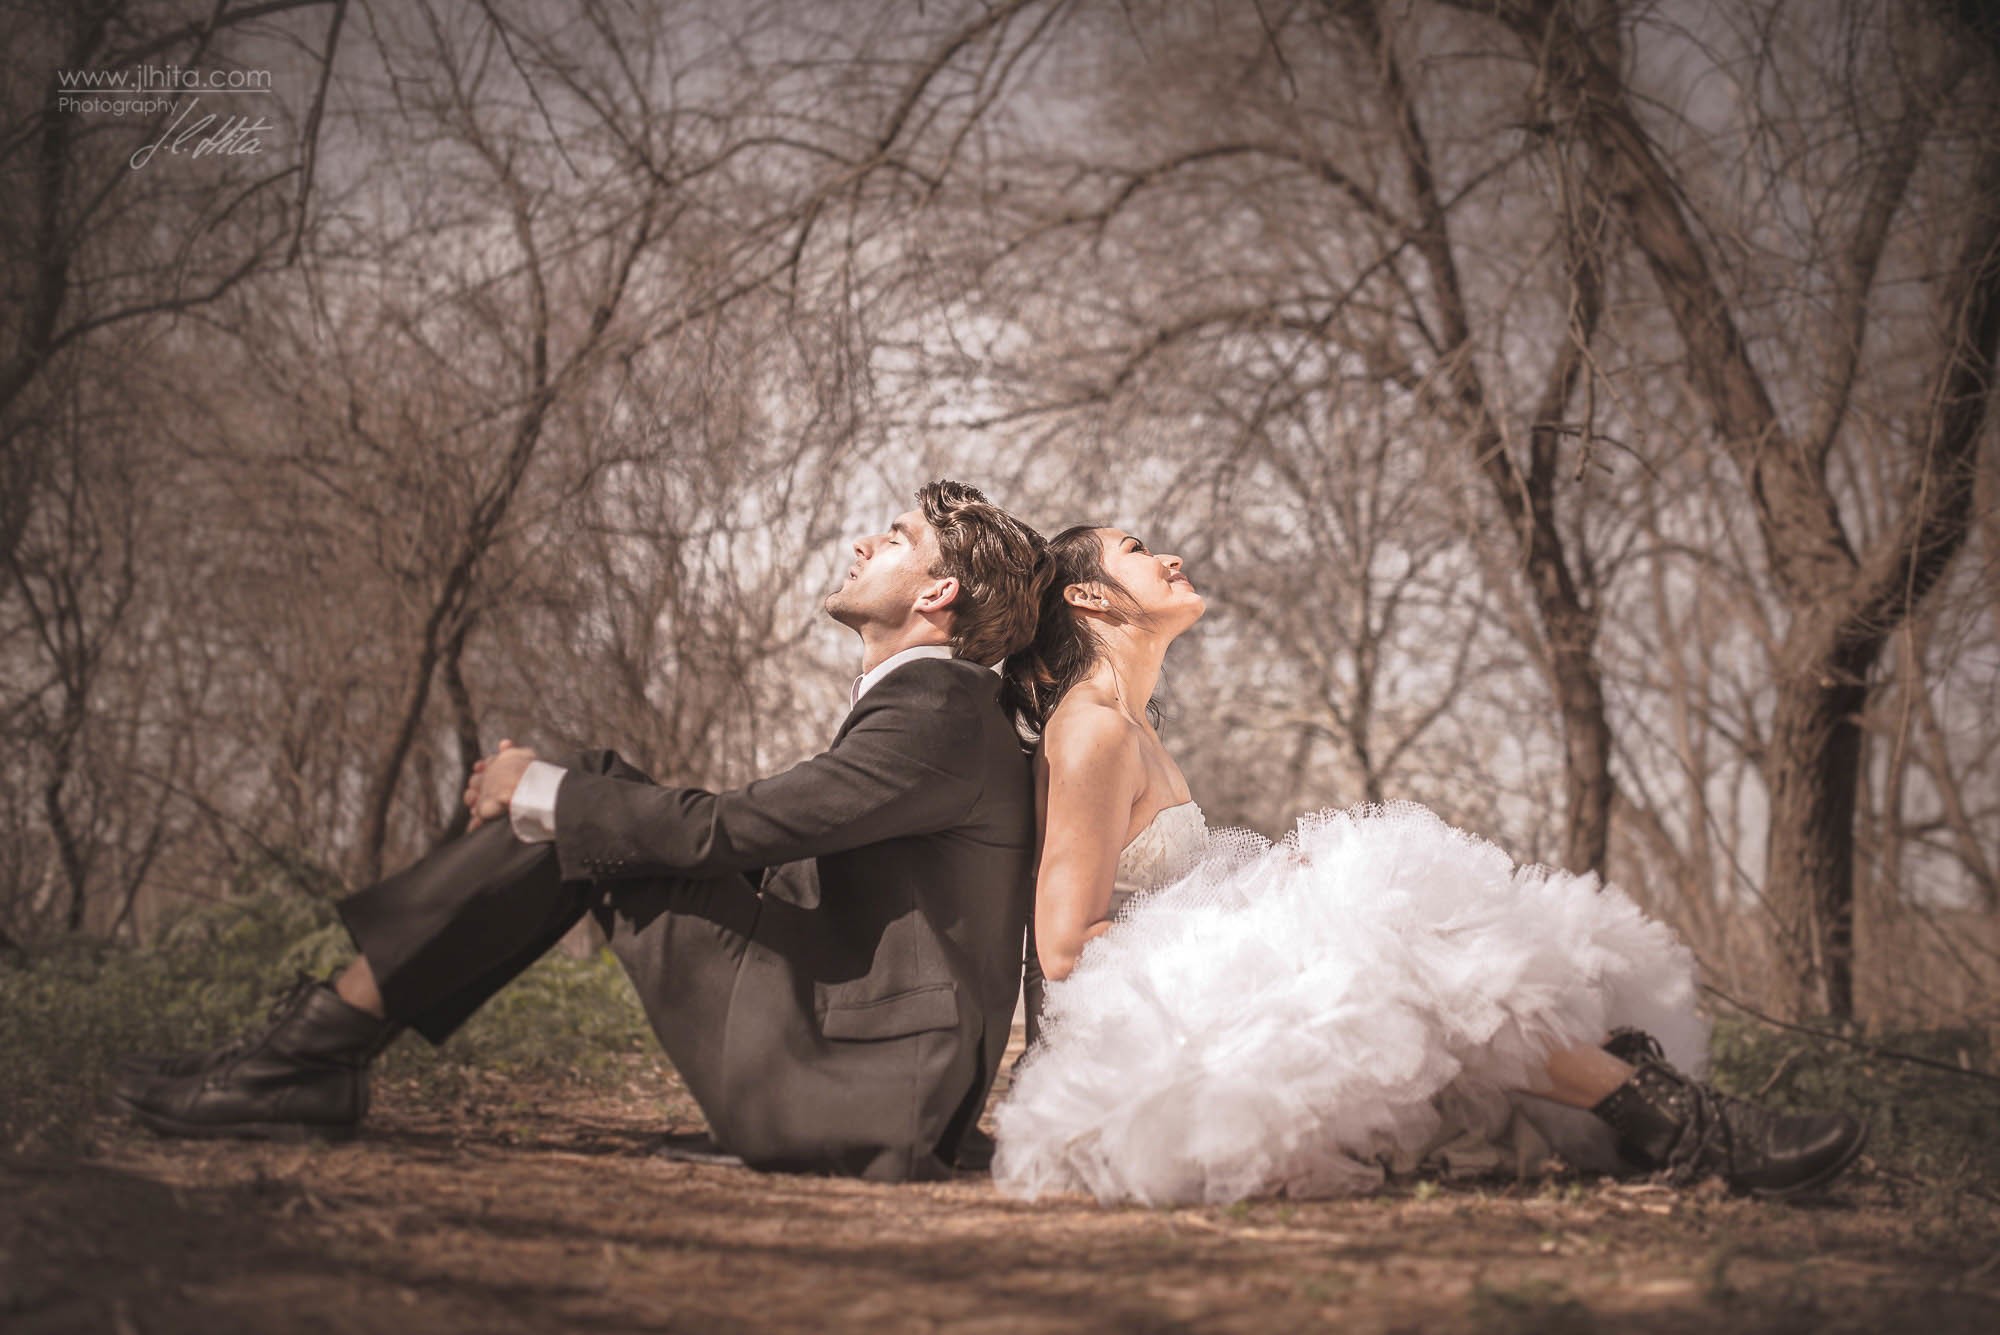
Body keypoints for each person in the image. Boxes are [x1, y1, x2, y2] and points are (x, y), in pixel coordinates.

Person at [116, 481, 1050, 1182]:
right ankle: (312, 1050)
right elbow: (772, 848)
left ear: (939, 593)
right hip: (859, 1053)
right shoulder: (939, 708)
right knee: (581, 801)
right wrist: (560, 798)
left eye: (897, 538)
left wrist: (548, 794)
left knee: (575, 802)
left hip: (853, 1081)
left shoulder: (940, 708)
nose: (863, 541)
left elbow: (744, 828)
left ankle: (308, 1053)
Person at [990, 525, 1868, 1206]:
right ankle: (1681, 1127)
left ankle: (1657, 1109)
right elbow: (1067, 948)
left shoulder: (1132, 722)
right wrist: (1246, 930)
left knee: (1386, 900)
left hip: (1170, 982)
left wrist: (1264, 901)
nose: (1169, 557)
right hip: (1126, 1024)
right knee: (1373, 914)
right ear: (1090, 599)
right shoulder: (1095, 727)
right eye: (1138, 551)